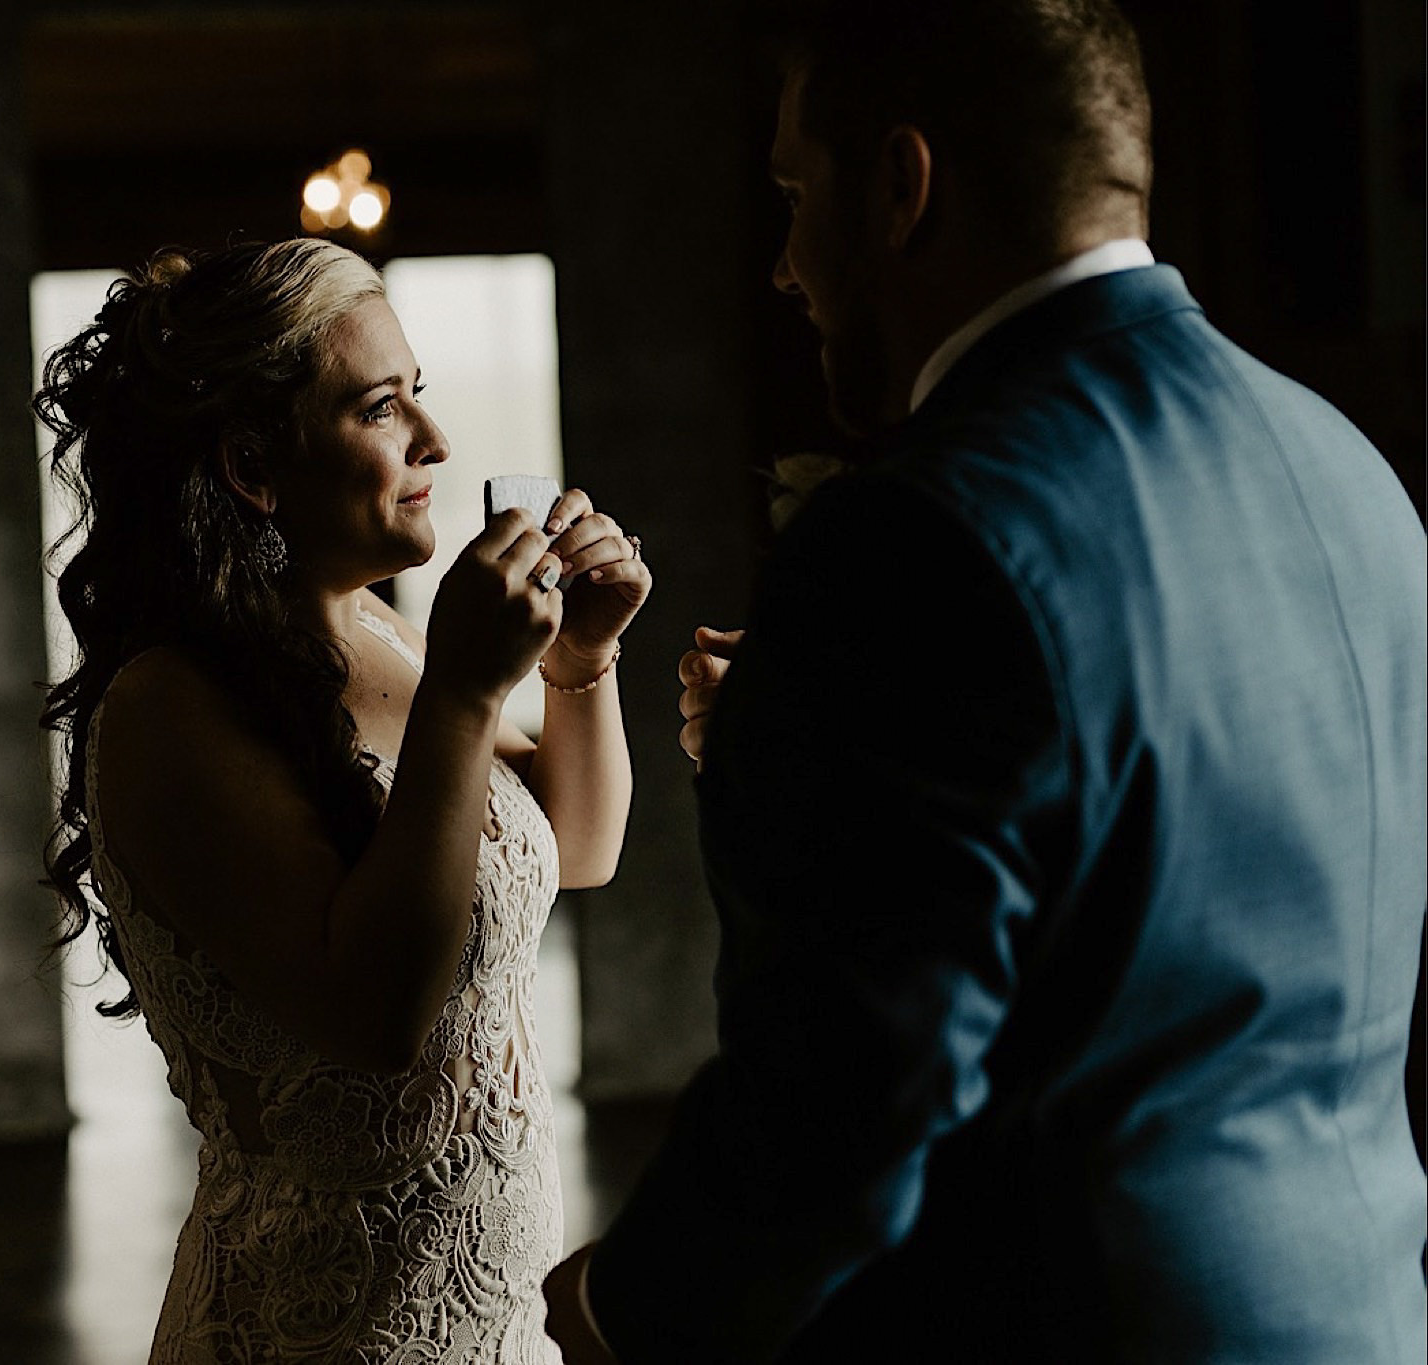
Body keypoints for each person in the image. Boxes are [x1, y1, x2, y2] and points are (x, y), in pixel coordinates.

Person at [543, 1, 1427, 1360]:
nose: (783, 266)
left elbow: (847, 1089)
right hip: (1351, 1314)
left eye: (797, 195)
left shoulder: (917, 531)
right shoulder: (1343, 463)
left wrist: (630, 1308)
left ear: (902, 187)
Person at [38, 237, 650, 1361]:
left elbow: (575, 847)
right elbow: (376, 1016)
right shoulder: (171, 708)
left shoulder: (382, 632)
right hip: (321, 1329)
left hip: (494, 1318)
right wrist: (465, 690)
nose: (435, 439)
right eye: (379, 408)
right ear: (252, 466)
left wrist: (581, 662)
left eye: (418, 392)